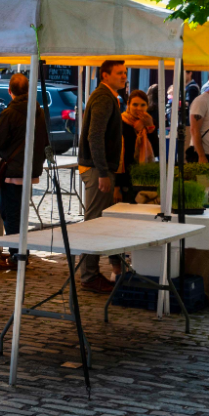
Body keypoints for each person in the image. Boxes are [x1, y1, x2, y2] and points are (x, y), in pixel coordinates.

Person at [74, 59, 127, 291]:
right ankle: (89, 276)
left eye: (125, 73)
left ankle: (94, 273)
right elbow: (95, 136)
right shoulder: (104, 97)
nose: (123, 77)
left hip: (99, 168)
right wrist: (103, 172)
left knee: (97, 221)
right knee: (94, 222)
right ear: (105, 75)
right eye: (119, 73)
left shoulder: (106, 96)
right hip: (97, 169)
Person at [0, 73, 48, 237]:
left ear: (9, 91)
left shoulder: (9, 113)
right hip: (30, 170)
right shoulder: (39, 112)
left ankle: (16, 255)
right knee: (20, 213)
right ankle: (20, 251)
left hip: (12, 171)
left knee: (10, 213)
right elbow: (45, 141)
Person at [119, 89, 156, 193]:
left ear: (147, 106)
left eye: (142, 105)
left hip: (144, 178)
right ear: (128, 105)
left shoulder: (150, 122)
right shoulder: (120, 122)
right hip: (124, 178)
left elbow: (156, 151)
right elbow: (116, 155)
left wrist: (150, 126)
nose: (138, 108)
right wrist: (117, 186)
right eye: (135, 105)